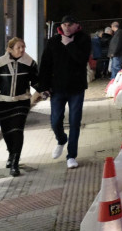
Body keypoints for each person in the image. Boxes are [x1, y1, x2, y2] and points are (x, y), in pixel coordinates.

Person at [39, 14, 91, 169]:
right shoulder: (53, 42)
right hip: (57, 88)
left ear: (77, 26)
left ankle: (71, 155)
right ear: (60, 26)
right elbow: (45, 65)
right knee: (55, 121)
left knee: (75, 122)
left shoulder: (83, 39)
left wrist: (70, 45)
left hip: (76, 88)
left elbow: (83, 60)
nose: (67, 27)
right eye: (64, 25)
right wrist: (43, 87)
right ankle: (61, 139)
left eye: (70, 25)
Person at [0, 37, 39, 176]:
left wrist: (46, 90)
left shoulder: (30, 63)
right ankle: (11, 154)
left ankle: (15, 162)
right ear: (10, 49)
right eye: (18, 47)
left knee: (17, 130)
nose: (22, 50)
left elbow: (36, 81)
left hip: (22, 101)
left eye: (23, 47)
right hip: (3, 103)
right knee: (7, 132)